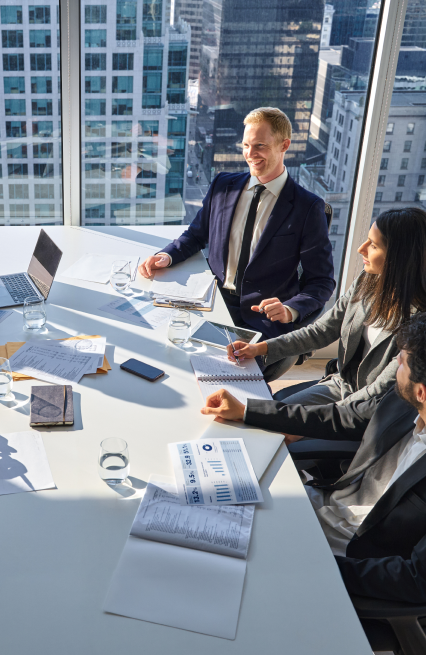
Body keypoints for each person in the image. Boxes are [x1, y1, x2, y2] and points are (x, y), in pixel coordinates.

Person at [201, 312, 426, 604]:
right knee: (210, 507)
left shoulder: (407, 394)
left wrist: (309, 566)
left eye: (402, 362)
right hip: (324, 505)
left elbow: (415, 579)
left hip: (346, 552)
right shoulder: (404, 400)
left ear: (421, 391)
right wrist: (248, 410)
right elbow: (346, 415)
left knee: (220, 575)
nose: (395, 364)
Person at [138, 107, 335, 341]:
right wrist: (167, 256)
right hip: (212, 303)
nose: (250, 154)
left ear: (284, 145)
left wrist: (290, 310)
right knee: (159, 342)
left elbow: (321, 280)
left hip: (263, 320)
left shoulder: (307, 207)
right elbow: (196, 235)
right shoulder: (223, 185)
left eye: (260, 145)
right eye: (245, 145)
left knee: (227, 373)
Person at [226, 207, 426, 406]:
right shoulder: (368, 281)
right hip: (342, 386)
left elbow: (380, 391)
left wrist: (313, 417)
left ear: (400, 258)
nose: (361, 249)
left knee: (273, 417)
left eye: (373, 245)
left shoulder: (419, 322)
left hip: (369, 408)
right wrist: (259, 348)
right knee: (267, 411)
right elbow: (321, 331)